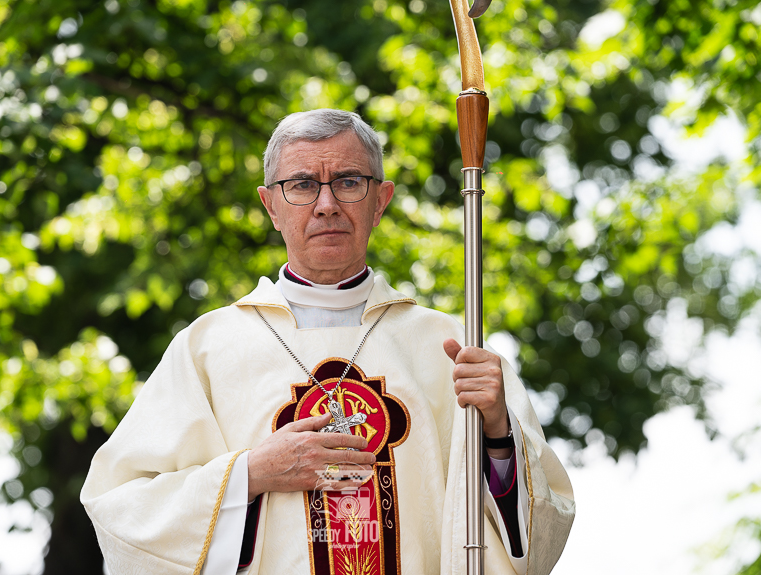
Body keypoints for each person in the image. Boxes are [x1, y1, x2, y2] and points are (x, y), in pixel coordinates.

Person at [81, 109, 574, 575]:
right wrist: (249, 475)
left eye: (348, 182)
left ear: (380, 200)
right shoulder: (208, 348)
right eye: (300, 185)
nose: (326, 205)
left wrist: (497, 431)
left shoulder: (449, 347)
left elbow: (537, 535)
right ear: (270, 205)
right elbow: (120, 509)